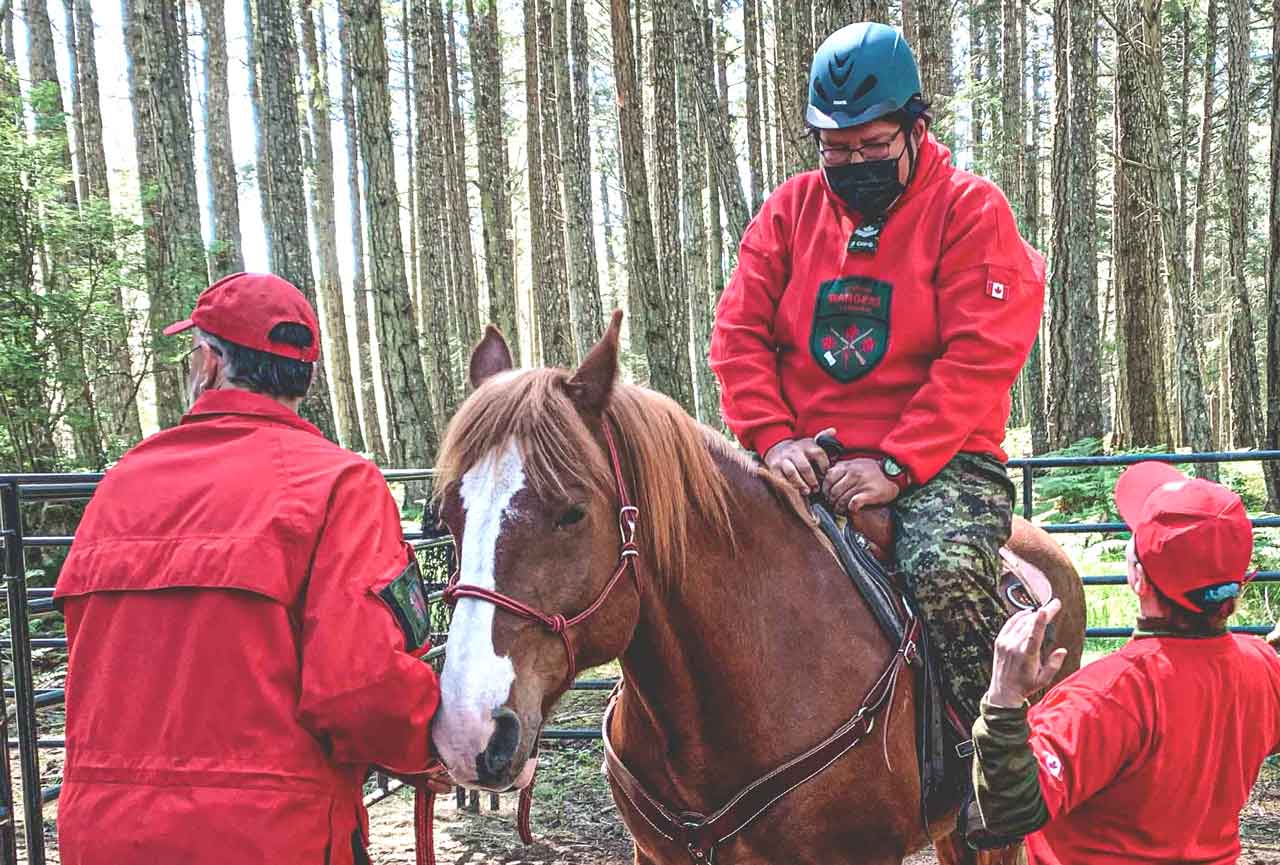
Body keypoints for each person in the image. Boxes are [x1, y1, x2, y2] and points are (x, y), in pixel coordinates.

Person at [709, 21, 1045, 737]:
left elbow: (981, 355)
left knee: (947, 572)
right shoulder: (788, 211)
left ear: (915, 127)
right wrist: (771, 438)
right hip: (802, 457)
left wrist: (897, 462)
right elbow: (737, 335)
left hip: (942, 462)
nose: (852, 160)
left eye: (871, 145)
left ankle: (985, 756)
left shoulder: (969, 209)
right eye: (836, 148)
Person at [53, 272, 450, 865]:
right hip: (272, 836)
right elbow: (361, 688)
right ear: (305, 377)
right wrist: (432, 746)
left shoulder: (121, 485)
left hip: (103, 835)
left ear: (210, 363)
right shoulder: (338, 485)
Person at [969, 462, 1280, 862]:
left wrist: (1004, 700)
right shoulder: (1261, 666)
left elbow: (1011, 810)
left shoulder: (1106, 696)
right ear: (1239, 585)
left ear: (1138, 578)